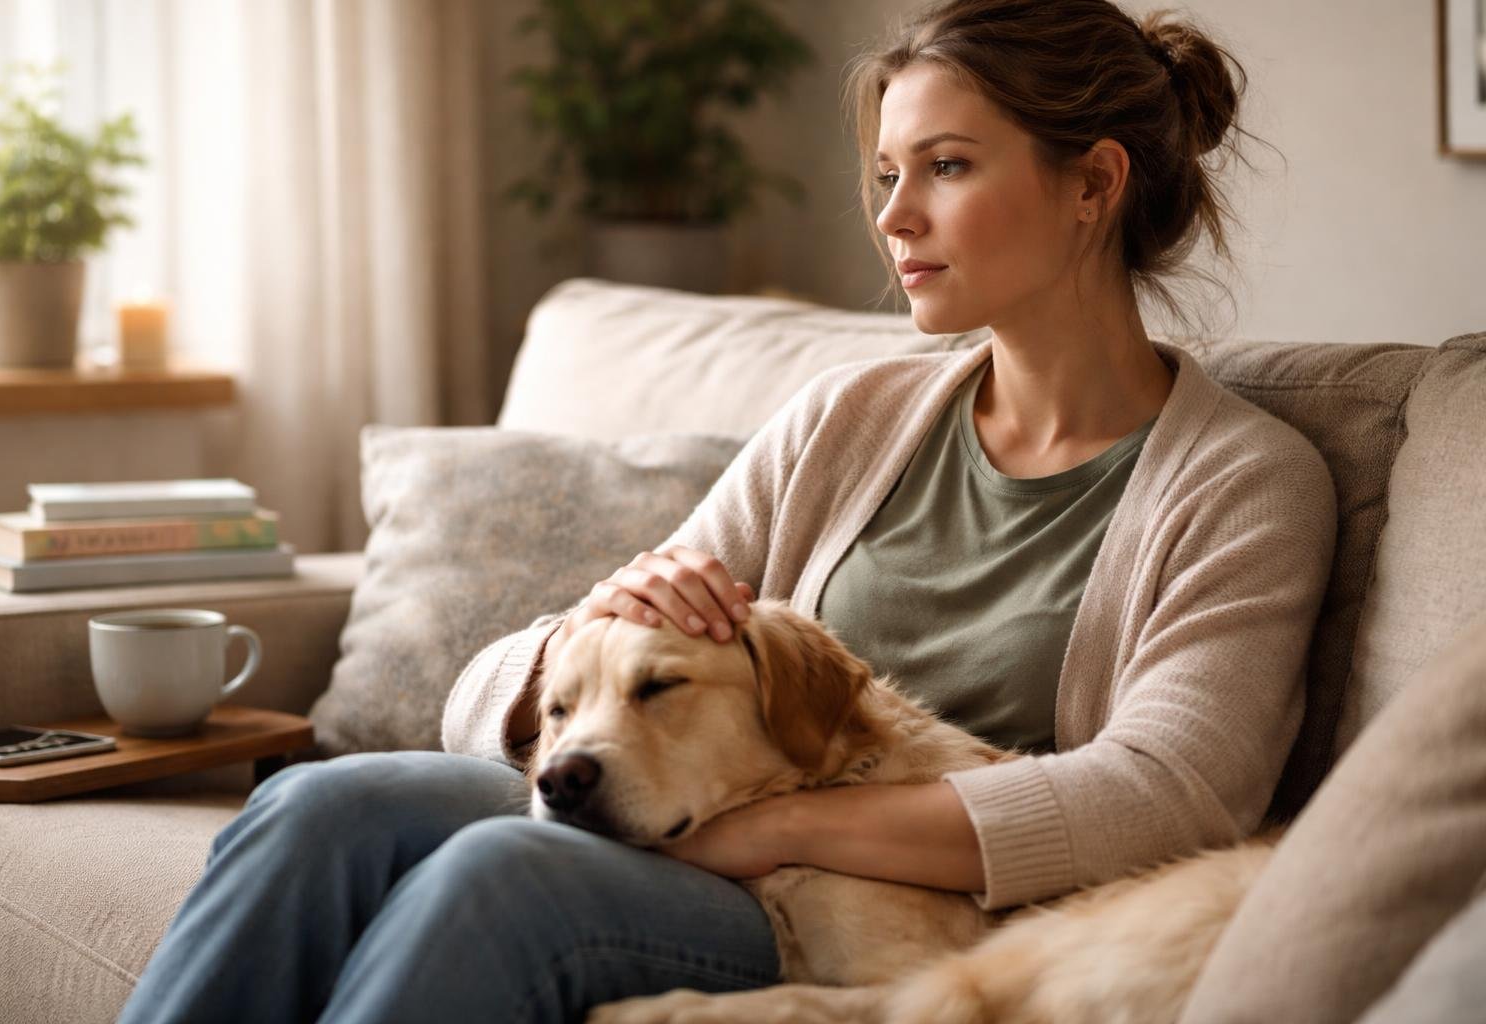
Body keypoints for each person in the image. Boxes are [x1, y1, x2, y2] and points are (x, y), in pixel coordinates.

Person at [117, 1, 1337, 1020]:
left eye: (947, 167)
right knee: (316, 804)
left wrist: (779, 829)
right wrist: (581, 636)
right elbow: (496, 695)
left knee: (500, 874)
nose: (893, 215)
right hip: (693, 815)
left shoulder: (1244, 485)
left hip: (875, 912)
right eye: (885, 175)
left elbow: (1166, 796)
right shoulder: (848, 416)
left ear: (1094, 186)